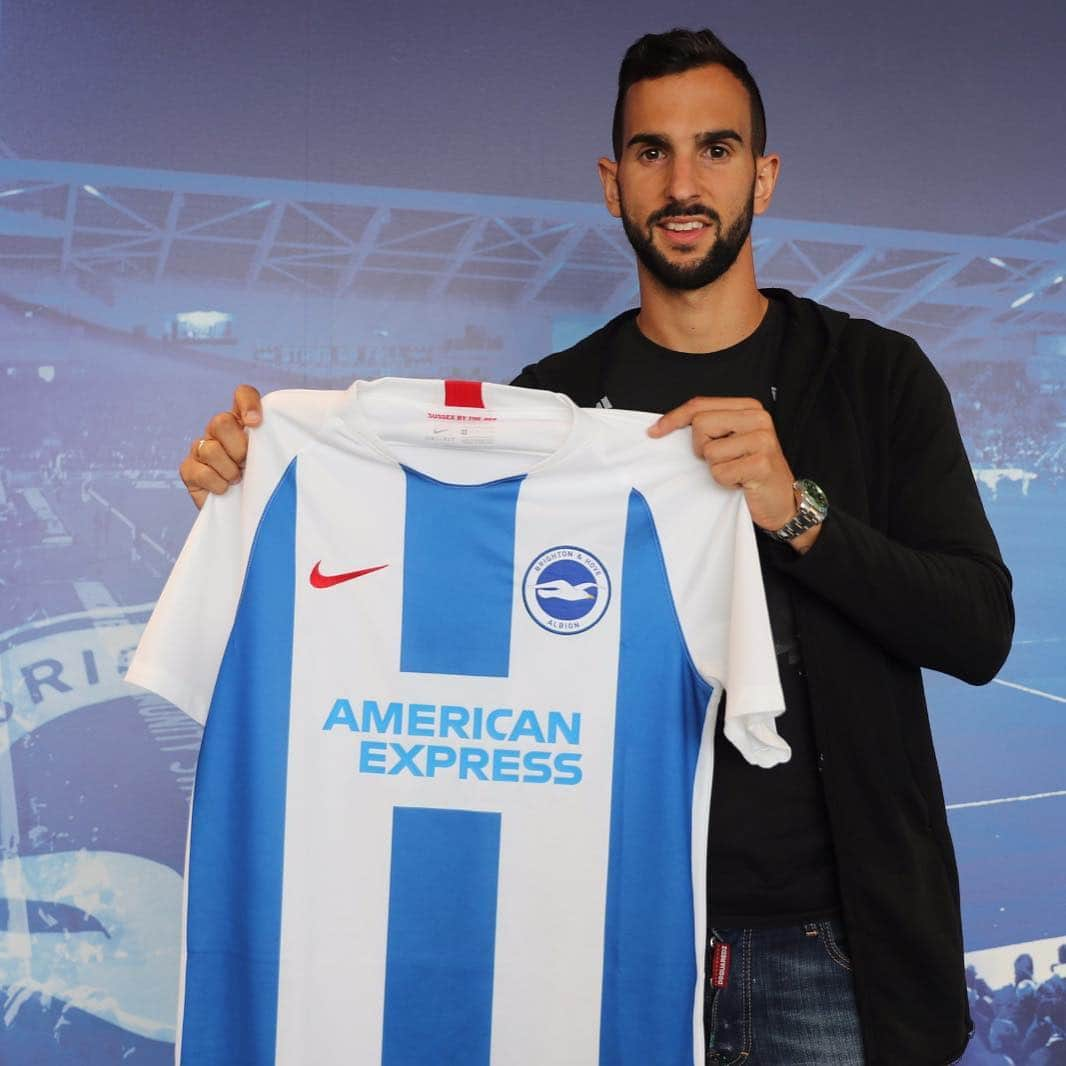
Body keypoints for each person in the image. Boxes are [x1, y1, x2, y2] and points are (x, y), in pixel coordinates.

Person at [178, 28, 1014, 1066]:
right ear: (612, 185)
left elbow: (978, 628)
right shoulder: (547, 406)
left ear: (763, 173)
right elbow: (436, 614)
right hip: (601, 937)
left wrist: (797, 510)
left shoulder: (876, 377)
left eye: (714, 148)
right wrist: (253, 488)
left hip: (830, 945)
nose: (683, 182)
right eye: (651, 154)